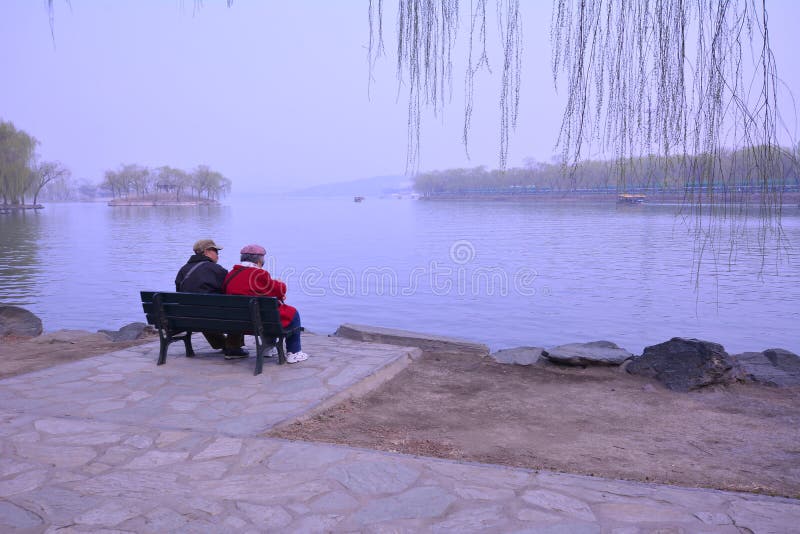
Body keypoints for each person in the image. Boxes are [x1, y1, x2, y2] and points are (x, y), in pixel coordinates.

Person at [223, 244, 308, 364]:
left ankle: (268, 348)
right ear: (259, 260)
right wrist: (279, 284)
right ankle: (294, 352)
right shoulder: (259, 274)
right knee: (292, 313)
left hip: (237, 322)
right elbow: (279, 290)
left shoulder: (231, 274)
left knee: (267, 311)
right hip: (257, 322)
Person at [174, 239, 248, 359]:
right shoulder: (216, 270)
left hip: (188, 317)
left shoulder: (183, 270)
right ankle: (233, 348)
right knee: (237, 308)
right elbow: (228, 291)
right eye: (215, 251)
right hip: (211, 317)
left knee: (202, 312)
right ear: (206, 252)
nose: (218, 254)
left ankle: (221, 344)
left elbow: (179, 291)